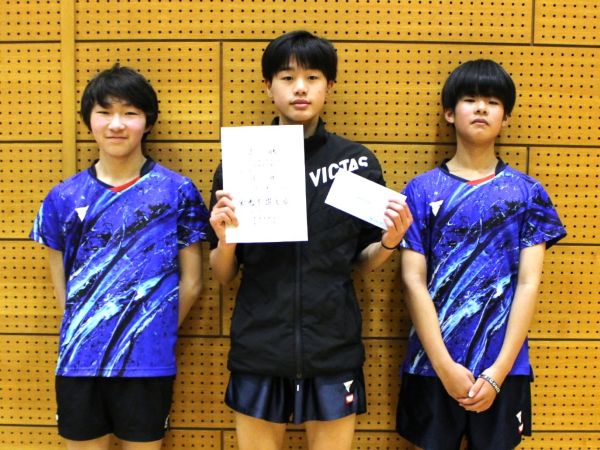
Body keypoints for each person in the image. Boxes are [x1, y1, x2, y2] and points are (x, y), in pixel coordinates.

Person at [208, 31, 413, 450]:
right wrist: (225, 240)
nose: (300, 88)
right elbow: (225, 274)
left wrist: (390, 242)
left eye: (313, 77)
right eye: (287, 77)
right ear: (268, 87)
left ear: (329, 86)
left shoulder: (356, 162)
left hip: (332, 345)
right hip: (260, 344)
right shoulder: (240, 164)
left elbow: (363, 260)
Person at [30, 64, 209, 450]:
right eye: (104, 112)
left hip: (148, 362)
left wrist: (145, 328)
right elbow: (61, 284)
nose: (116, 124)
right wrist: (91, 327)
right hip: (79, 361)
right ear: (88, 120)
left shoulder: (178, 191)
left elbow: (193, 282)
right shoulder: (62, 197)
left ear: (148, 122)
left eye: (129, 113)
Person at [395, 59, 567, 449]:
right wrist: (444, 366)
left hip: (505, 369)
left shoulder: (528, 193)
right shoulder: (419, 191)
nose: (481, 109)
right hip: (430, 367)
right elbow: (412, 281)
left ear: (506, 117)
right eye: (470, 99)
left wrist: (497, 372)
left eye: (492, 102)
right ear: (449, 113)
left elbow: (528, 283)